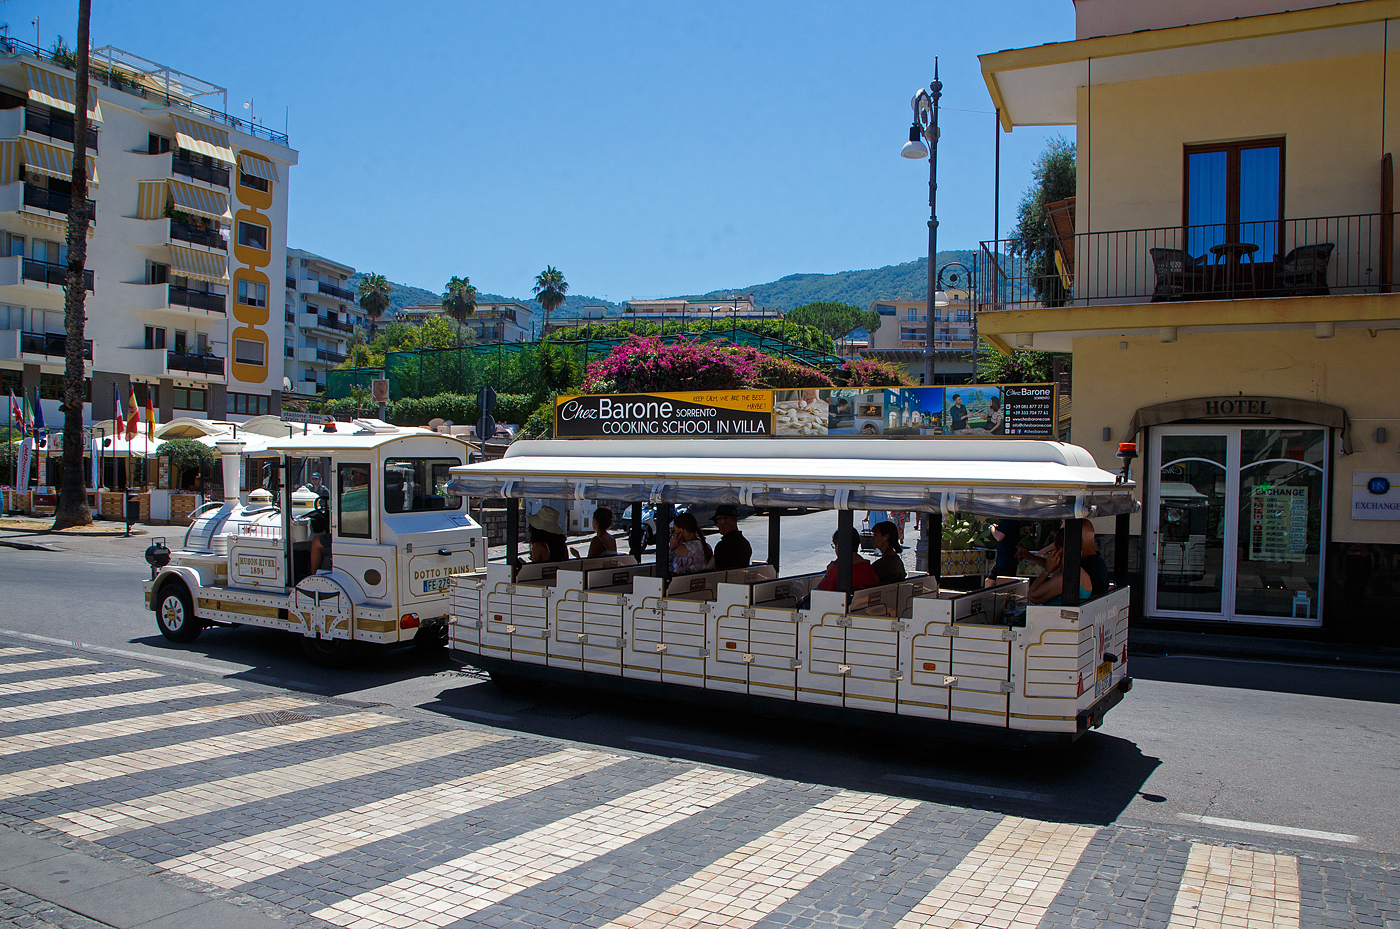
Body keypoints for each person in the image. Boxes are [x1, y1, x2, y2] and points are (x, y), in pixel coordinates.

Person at [1029, 522, 1108, 604]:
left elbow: (1032, 596)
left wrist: (1046, 570)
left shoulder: (1063, 579)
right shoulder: (1080, 573)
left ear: (1059, 550)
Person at [815, 526, 880, 591]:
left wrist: (828, 573)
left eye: (835, 545)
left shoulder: (838, 571)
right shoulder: (868, 568)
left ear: (841, 545)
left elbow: (818, 592)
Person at [711, 504, 752, 570]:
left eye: (716, 521)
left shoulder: (723, 546)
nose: (717, 525)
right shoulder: (745, 543)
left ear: (723, 520)